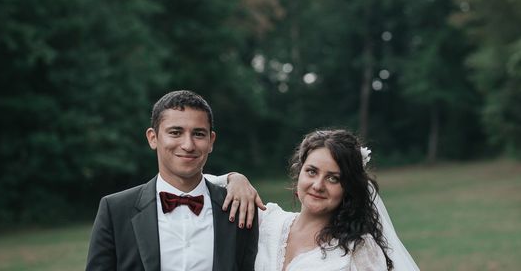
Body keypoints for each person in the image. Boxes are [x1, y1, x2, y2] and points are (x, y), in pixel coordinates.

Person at [85, 89, 261, 271]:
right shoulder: (115, 210)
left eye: (199, 134)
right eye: (176, 132)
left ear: (211, 141)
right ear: (153, 138)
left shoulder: (239, 207)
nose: (188, 145)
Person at [211, 129, 420, 271]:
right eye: (312, 172)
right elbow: (191, 184)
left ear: (348, 188)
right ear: (299, 173)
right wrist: (233, 178)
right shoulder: (266, 221)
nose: (318, 185)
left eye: (333, 178)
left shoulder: (359, 248)